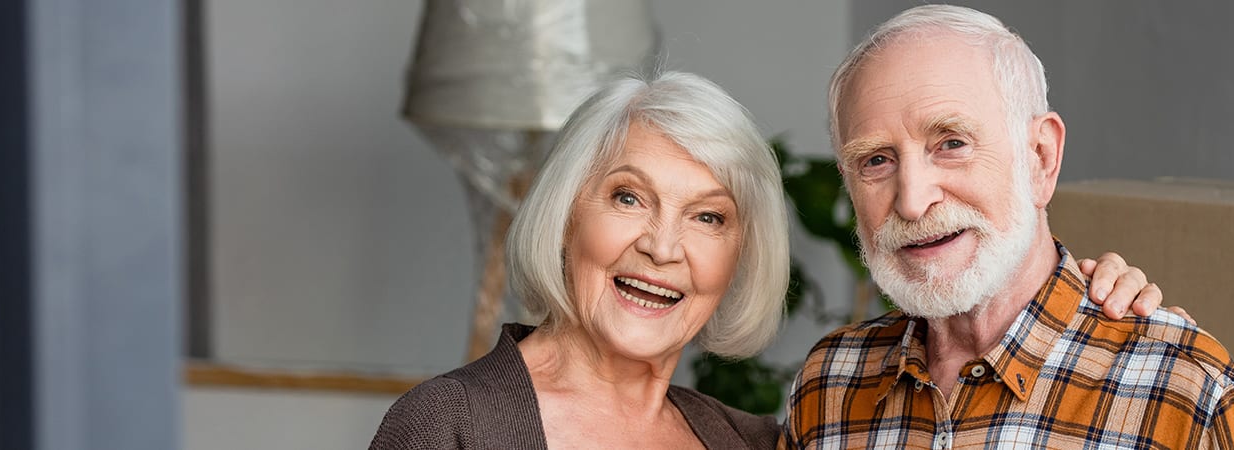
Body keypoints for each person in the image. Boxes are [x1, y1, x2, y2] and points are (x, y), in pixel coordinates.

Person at [370, 71, 1168, 449]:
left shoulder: (766, 440)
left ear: (738, 259)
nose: (663, 246)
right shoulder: (449, 427)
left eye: (709, 217)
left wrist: (1083, 308)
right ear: (566, 214)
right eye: (627, 197)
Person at [783, 5, 1234, 449]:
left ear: (1041, 158)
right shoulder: (830, 383)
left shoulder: (1183, 390)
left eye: (952, 143)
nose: (912, 202)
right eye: (876, 160)